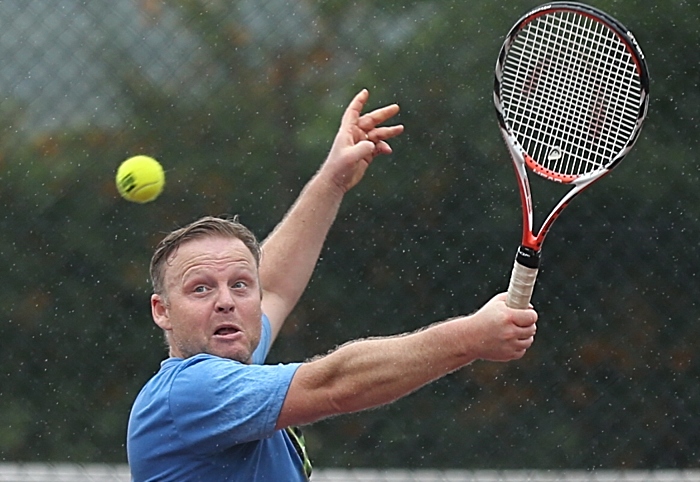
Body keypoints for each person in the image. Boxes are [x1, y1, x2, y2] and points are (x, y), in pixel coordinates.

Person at [126, 89, 538, 481]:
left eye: (239, 285)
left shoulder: (232, 361)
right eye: (200, 289)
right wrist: (473, 336)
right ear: (162, 311)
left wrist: (333, 180)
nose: (226, 302)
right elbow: (334, 384)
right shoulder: (191, 393)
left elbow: (273, 287)